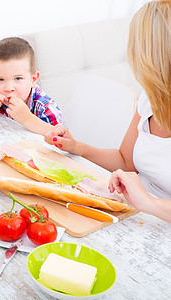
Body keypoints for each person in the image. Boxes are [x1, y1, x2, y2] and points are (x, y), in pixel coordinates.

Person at [44, 0, 171, 222]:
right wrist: (76, 147)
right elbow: (124, 161)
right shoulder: (150, 98)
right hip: (138, 216)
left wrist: (150, 203)